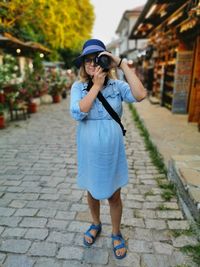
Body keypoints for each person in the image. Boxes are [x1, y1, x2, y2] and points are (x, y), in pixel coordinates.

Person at [70, 39, 146, 259]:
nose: (92, 65)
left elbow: (140, 95)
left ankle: (116, 232)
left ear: (105, 62)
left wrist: (121, 63)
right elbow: (78, 112)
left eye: (97, 60)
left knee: (114, 195)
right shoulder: (78, 88)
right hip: (89, 152)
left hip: (112, 152)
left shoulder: (117, 87)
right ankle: (95, 223)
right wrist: (95, 86)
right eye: (88, 61)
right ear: (83, 65)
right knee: (92, 191)